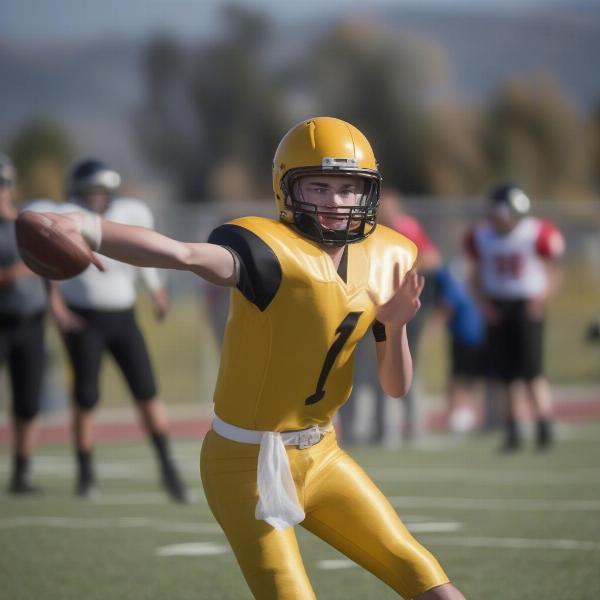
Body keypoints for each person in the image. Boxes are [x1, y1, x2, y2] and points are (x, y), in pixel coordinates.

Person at [38, 118, 466, 599]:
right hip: (245, 463)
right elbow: (182, 253)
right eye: (318, 186)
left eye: (348, 188)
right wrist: (88, 226)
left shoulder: (390, 255)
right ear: (287, 187)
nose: (335, 200)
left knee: (429, 579)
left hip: (323, 455)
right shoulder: (266, 250)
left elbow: (396, 387)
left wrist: (398, 325)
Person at [35, 158, 188, 502]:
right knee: (86, 397)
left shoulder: (131, 213)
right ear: (75, 191)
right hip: (83, 318)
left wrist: (156, 289)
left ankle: (168, 469)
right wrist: (56, 305)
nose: (96, 198)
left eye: (102, 191)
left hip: (123, 317)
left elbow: (142, 252)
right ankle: (86, 474)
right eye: (90, 191)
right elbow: (44, 261)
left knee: (147, 392)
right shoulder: (63, 217)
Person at [464, 183, 565, 451]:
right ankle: (513, 431)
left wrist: (541, 299)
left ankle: (544, 427)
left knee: (532, 371)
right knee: (506, 375)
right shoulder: (482, 236)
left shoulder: (535, 233)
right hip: (498, 306)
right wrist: (484, 304)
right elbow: (474, 275)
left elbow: (554, 270)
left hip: (526, 304)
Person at [377, 188, 442, 441]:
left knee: (407, 366)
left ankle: (414, 428)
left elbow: (432, 258)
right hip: (375, 308)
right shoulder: (369, 230)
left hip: (403, 309)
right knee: (373, 372)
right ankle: (381, 430)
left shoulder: (408, 228)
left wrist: (406, 268)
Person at [0, 153, 47, 494]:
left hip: (31, 320)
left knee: (28, 401)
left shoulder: (26, 223)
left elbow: (49, 271)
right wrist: (13, 273)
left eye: (3, 184)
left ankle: (22, 472)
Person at [431, 262, 487, 434]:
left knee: (460, 376)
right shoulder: (464, 282)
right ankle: (465, 413)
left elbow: (448, 306)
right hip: (474, 333)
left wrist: (434, 329)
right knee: (467, 377)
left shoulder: (450, 281)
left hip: (466, 336)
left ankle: (458, 413)